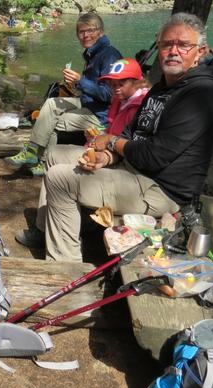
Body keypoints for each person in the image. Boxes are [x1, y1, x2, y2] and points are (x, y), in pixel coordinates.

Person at [17, 13, 213, 262]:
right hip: (132, 168)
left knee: (60, 178)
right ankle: (46, 232)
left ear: (200, 52)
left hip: (160, 189)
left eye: (183, 45)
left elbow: (154, 156)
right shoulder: (162, 88)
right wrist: (105, 157)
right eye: (167, 44)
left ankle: (64, 265)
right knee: (55, 154)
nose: (173, 51)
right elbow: (130, 133)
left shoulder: (202, 95)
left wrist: (112, 143)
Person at [16, 57, 149, 250]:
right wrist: (96, 137)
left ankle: (61, 240)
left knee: (60, 175)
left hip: (124, 167)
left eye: (122, 83)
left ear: (138, 82)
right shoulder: (119, 100)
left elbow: (128, 146)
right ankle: (43, 228)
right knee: (54, 153)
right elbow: (111, 130)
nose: (115, 87)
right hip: (109, 153)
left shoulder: (141, 107)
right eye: (112, 83)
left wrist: (103, 145)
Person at [4, 12, 122, 176]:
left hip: (100, 114)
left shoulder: (109, 55)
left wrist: (80, 81)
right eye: (81, 32)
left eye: (90, 30)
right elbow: (92, 89)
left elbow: (109, 95)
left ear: (101, 32)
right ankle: (33, 152)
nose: (85, 35)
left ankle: (44, 161)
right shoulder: (93, 53)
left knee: (52, 121)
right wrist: (74, 85)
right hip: (88, 103)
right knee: (51, 104)